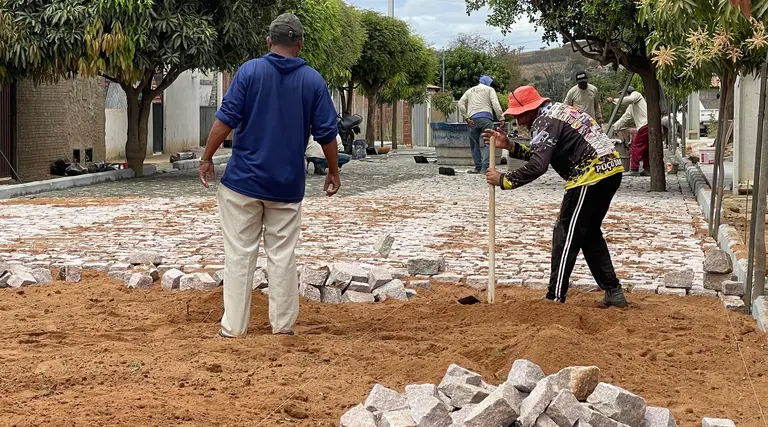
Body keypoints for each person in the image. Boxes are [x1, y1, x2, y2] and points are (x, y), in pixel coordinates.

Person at [199, 13, 340, 337]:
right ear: (300, 44)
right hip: (286, 186)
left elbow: (225, 120)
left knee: (239, 254)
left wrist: (207, 157)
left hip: (242, 184)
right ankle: (283, 327)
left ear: (268, 42)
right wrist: (332, 170)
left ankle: (233, 328)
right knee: (281, 256)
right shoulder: (313, 81)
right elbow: (327, 134)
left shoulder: (249, 72)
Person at [483, 85, 628, 307]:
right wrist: (511, 146)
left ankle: (554, 296)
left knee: (565, 234)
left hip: (589, 176)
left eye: (520, 116)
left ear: (531, 110)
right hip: (610, 172)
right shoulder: (559, 111)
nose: (519, 121)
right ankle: (613, 291)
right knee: (587, 233)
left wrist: (505, 180)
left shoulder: (544, 120)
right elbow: (542, 154)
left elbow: (539, 165)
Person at [458, 75, 505, 174]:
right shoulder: (489, 89)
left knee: (474, 144)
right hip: (486, 119)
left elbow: (460, 103)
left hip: (472, 120)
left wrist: (466, 117)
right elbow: (495, 104)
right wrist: (501, 117)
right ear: (488, 82)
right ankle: (485, 168)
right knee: (489, 142)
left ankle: (478, 167)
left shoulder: (469, 91)